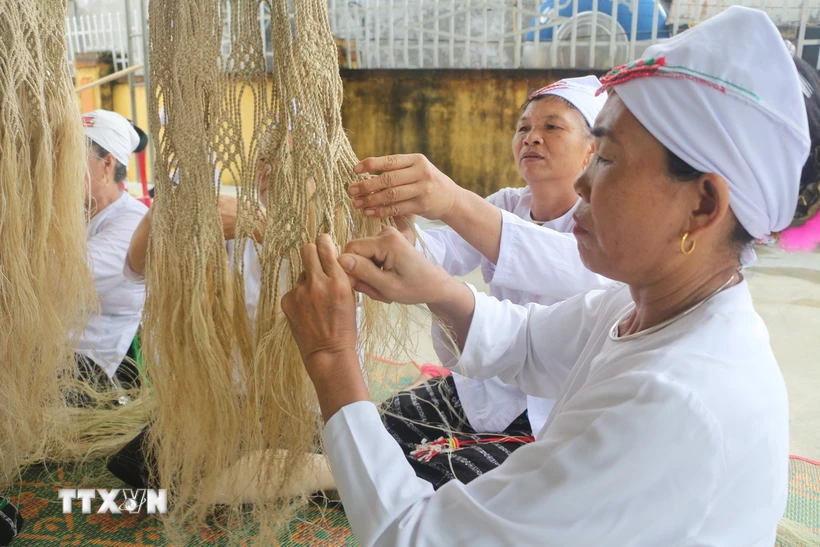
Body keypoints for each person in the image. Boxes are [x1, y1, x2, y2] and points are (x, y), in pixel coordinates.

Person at [282, 7, 810, 545]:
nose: (584, 185)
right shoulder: (640, 307)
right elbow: (528, 342)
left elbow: (413, 536)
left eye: (605, 159)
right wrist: (432, 285)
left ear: (702, 206)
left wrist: (331, 357)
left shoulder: (674, 404)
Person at [348, 77, 615, 487]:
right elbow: (439, 253)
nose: (532, 138)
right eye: (523, 127)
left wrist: (454, 201)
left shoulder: (605, 222)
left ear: (592, 149)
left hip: (557, 404)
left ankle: (368, 478)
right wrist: (401, 237)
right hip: (487, 386)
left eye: (552, 127)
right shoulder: (509, 203)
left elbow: (562, 261)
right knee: (389, 423)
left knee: (474, 480)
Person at [75, 110, 149, 390]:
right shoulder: (71, 216)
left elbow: (56, 276)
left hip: (96, 369)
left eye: (70, 158)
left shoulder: (132, 222)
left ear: (107, 165)